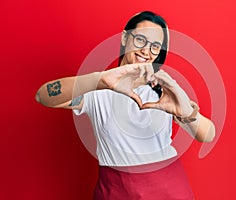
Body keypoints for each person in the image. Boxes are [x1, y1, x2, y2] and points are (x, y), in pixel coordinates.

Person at [36, 11, 215, 200]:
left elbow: (207, 134)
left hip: (170, 189)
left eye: (155, 46)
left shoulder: (164, 89)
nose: (146, 51)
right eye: (140, 40)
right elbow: (43, 96)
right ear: (125, 38)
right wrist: (100, 80)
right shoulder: (98, 88)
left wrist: (186, 111)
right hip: (116, 191)